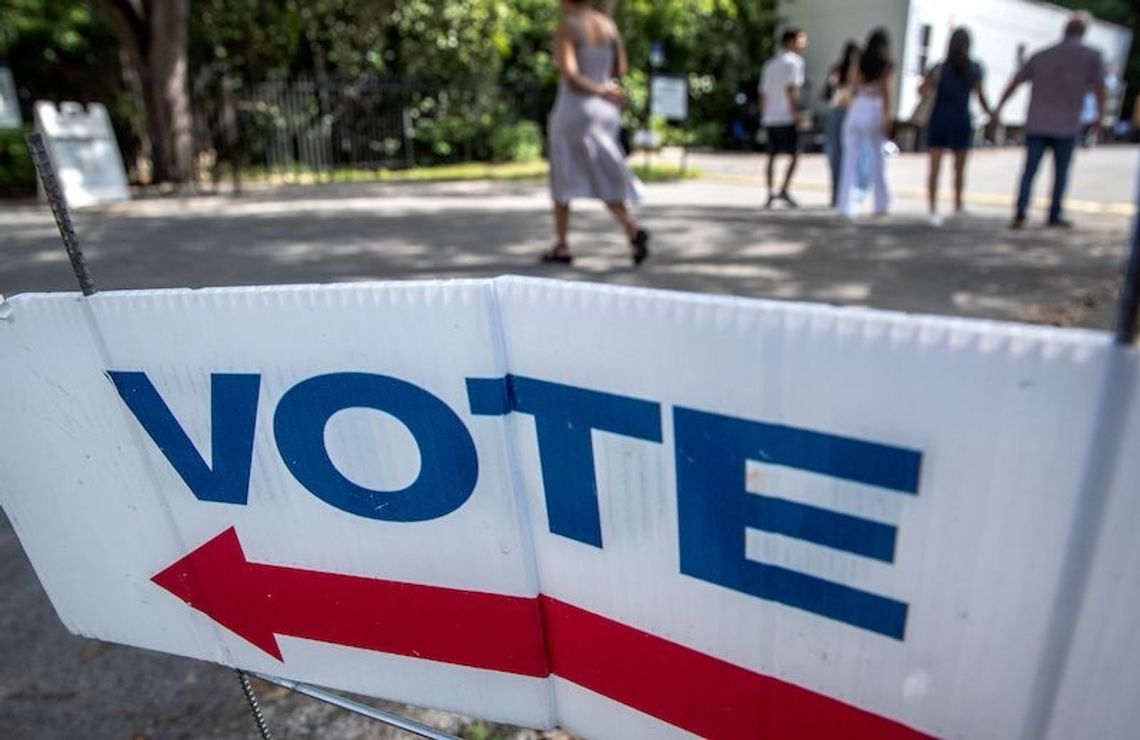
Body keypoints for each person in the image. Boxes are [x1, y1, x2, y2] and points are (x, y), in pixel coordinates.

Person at [542, 0, 648, 266]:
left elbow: (570, 73)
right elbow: (619, 69)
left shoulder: (568, 27)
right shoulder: (608, 25)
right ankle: (631, 230)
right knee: (603, 173)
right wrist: (605, 89)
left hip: (575, 109)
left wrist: (597, 89)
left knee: (563, 179)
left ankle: (563, 245)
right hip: (606, 111)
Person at [993, 12, 1105, 229]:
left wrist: (998, 108)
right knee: (1061, 173)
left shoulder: (1042, 55)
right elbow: (1101, 90)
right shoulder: (1091, 57)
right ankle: (1054, 214)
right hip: (1067, 124)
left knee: (1029, 171)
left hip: (1038, 122)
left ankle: (1021, 212)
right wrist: (1099, 119)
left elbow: (1015, 82)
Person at [921, 28, 992, 227]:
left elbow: (923, 91)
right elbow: (980, 95)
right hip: (961, 119)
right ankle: (958, 203)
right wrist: (992, 113)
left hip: (939, 117)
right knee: (959, 168)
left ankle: (933, 209)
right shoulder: (975, 68)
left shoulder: (939, 68)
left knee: (935, 168)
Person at [836, 28, 894, 219]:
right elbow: (886, 92)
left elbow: (852, 85)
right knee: (879, 159)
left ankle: (846, 205)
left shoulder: (859, 60)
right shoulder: (886, 63)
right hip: (874, 106)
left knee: (849, 160)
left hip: (858, 105)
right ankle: (881, 203)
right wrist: (887, 116)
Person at [760, 27, 807, 208]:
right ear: (790, 41)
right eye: (800, 39)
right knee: (794, 154)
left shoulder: (770, 64)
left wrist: (764, 116)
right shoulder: (795, 63)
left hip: (771, 117)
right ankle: (784, 189)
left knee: (771, 156)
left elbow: (763, 93)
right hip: (787, 117)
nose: (803, 43)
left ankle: (770, 192)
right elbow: (791, 89)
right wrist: (796, 114)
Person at [823, 40, 861, 207]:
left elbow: (829, 91)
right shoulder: (858, 73)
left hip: (836, 111)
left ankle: (836, 193)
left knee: (835, 154)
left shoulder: (836, 70)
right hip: (849, 111)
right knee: (848, 155)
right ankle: (846, 193)